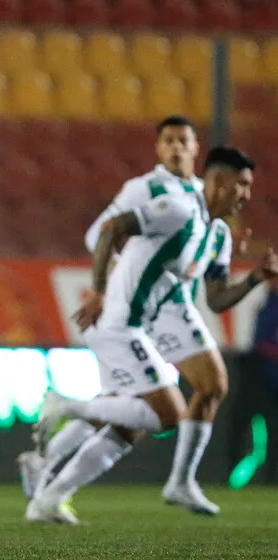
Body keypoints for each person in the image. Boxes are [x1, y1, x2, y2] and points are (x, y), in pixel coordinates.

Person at [28, 146, 277, 524]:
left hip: (141, 328)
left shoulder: (218, 235)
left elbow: (217, 299)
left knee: (132, 426)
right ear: (218, 182)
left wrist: (256, 279)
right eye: (241, 184)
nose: (246, 194)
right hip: (117, 322)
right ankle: (65, 405)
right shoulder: (178, 210)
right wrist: (98, 290)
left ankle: (50, 497)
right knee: (170, 412)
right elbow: (111, 229)